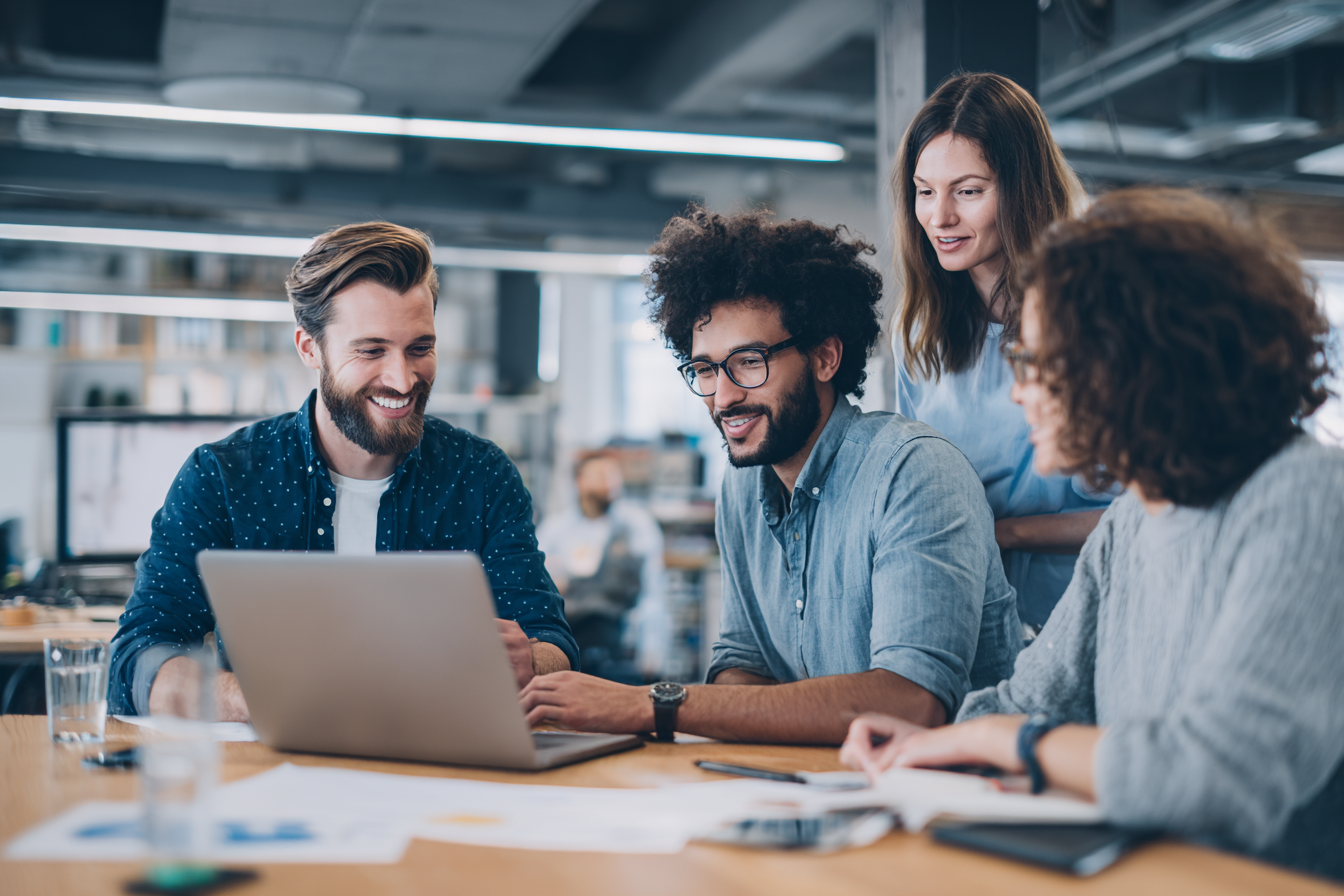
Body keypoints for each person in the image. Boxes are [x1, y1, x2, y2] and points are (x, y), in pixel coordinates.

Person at [840, 189, 1344, 881]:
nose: (1019, 392)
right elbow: (1032, 703)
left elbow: (1220, 774)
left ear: (1133, 362)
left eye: (1038, 363)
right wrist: (941, 740)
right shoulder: (1134, 519)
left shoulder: (1307, 495)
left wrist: (1006, 739)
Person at [520, 209, 1022, 744]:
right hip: (817, 785)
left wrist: (655, 705)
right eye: (706, 370)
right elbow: (743, 661)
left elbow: (909, 702)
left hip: (958, 796)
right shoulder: (742, 487)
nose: (724, 396)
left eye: (750, 361)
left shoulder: (914, 472)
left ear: (826, 356)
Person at [108, 222, 575, 720]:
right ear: (310, 348)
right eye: (371, 350)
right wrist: (255, 696)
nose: (402, 378)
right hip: (274, 777)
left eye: (420, 348)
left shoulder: (481, 476)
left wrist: (526, 660)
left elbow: (554, 645)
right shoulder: (224, 478)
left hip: (441, 775)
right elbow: (136, 661)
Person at [892, 72, 1113, 628]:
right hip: (965, 613)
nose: (939, 218)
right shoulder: (917, 327)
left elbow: (1149, 511)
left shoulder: (1096, 318)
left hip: (1083, 616)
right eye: (925, 190)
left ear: (1021, 188)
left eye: (967, 191)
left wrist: (1003, 534)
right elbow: (916, 478)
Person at [536, 451, 667, 682]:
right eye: (600, 474)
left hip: (619, 640)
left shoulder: (636, 526)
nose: (610, 481)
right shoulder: (556, 530)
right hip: (568, 638)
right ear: (579, 481)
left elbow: (653, 592)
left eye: (614, 475)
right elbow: (537, 587)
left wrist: (652, 650)